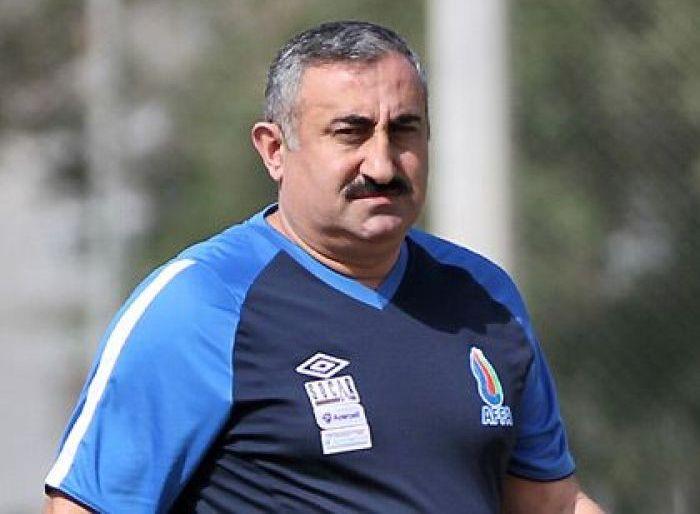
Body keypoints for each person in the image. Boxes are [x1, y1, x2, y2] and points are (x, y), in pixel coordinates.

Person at [44, 20, 604, 514]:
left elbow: (549, 504)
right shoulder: (202, 303)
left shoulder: (484, 295)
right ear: (274, 150)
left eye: (404, 129)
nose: (382, 164)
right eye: (350, 132)